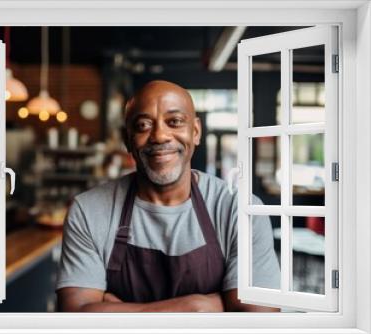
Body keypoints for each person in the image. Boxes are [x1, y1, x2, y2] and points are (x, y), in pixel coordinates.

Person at [56, 80, 280, 312]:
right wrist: (197, 307)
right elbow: (76, 320)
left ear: (195, 132)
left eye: (174, 122)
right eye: (143, 125)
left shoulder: (240, 210)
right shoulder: (89, 211)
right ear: (127, 139)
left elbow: (260, 322)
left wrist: (118, 312)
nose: (160, 136)